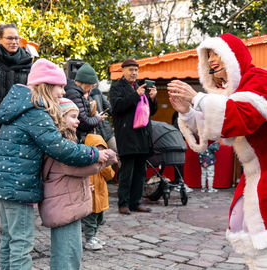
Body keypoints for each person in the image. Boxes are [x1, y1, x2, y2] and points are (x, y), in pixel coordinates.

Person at [0, 58, 110, 270]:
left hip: (5, 183)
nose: (63, 92)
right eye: (60, 86)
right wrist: (95, 154)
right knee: (21, 242)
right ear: (47, 85)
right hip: (20, 187)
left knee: (9, 240)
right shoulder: (35, 112)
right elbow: (59, 147)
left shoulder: (18, 106)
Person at [168, 33, 267, 269]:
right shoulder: (229, 92)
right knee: (252, 241)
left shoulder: (258, 79)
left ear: (233, 58)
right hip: (254, 176)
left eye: (216, 54)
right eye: (208, 56)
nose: (211, 60)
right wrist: (187, 112)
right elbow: (215, 128)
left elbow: (241, 117)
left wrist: (197, 98)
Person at [39, 98, 117, 269]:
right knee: (67, 255)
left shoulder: (65, 142)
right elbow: (78, 168)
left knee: (72, 252)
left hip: (69, 205)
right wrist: (106, 158)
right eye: (73, 117)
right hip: (64, 207)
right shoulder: (61, 145)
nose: (78, 121)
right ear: (59, 118)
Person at [109, 59, 158, 215]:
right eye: (131, 70)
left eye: (136, 70)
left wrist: (152, 99)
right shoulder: (117, 88)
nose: (134, 73)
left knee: (140, 172)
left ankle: (136, 202)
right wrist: (136, 95)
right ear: (123, 71)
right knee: (126, 172)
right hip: (127, 135)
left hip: (142, 136)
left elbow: (149, 111)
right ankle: (123, 204)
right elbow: (117, 107)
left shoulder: (139, 87)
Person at [0, 23, 32, 136]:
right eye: (10, 38)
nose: (14, 42)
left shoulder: (27, 62)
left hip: (18, 122)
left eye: (16, 38)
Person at [82, 133, 115, 250]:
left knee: (99, 219)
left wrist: (106, 165)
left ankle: (94, 236)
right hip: (90, 198)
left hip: (100, 198)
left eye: (102, 149)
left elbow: (110, 176)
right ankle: (89, 239)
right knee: (90, 221)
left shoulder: (103, 165)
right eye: (97, 149)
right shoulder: (87, 165)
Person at [64, 62, 106, 143]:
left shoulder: (76, 92)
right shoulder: (74, 94)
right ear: (87, 83)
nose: (91, 89)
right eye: (92, 86)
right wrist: (97, 118)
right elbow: (83, 122)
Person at [90, 87, 117, 154]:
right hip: (94, 135)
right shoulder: (79, 95)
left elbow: (109, 108)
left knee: (118, 152)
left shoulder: (96, 91)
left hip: (107, 131)